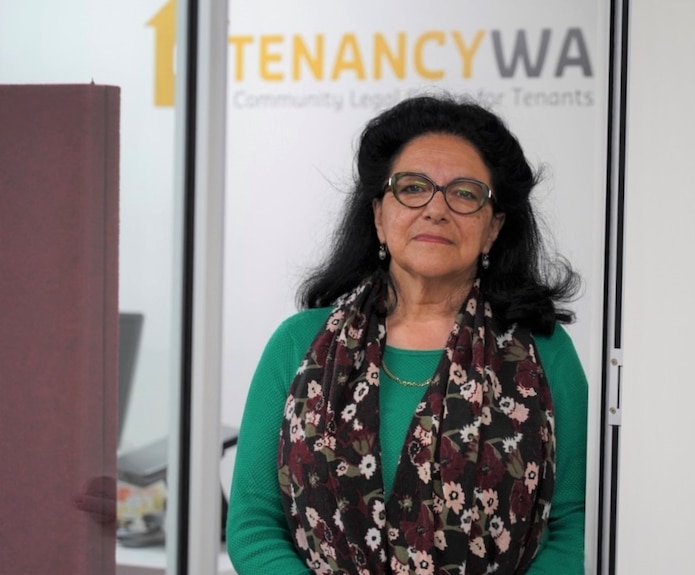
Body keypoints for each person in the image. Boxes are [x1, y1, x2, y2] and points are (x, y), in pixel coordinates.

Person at [226, 94, 589, 575]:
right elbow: (254, 526)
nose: (436, 209)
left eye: (464, 193)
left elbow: (576, 521)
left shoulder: (544, 353)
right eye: (413, 187)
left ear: (493, 227)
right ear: (379, 215)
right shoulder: (297, 344)